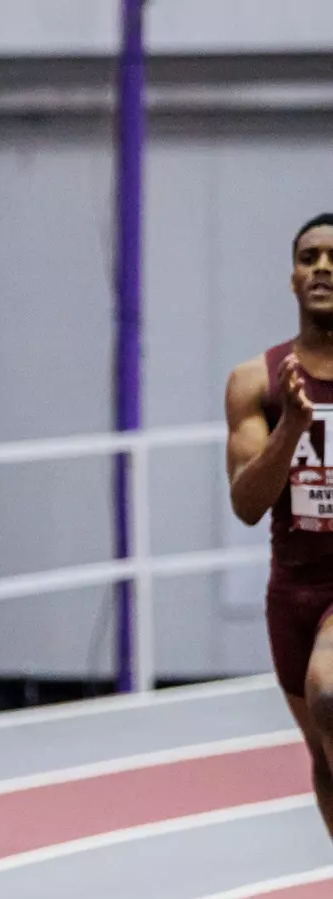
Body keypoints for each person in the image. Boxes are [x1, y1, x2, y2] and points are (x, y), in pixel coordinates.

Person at [226, 211, 333, 840]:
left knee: (329, 691)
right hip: (292, 591)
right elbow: (246, 504)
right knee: (324, 756)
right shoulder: (256, 382)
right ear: (293, 278)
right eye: (309, 257)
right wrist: (293, 427)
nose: (323, 267)